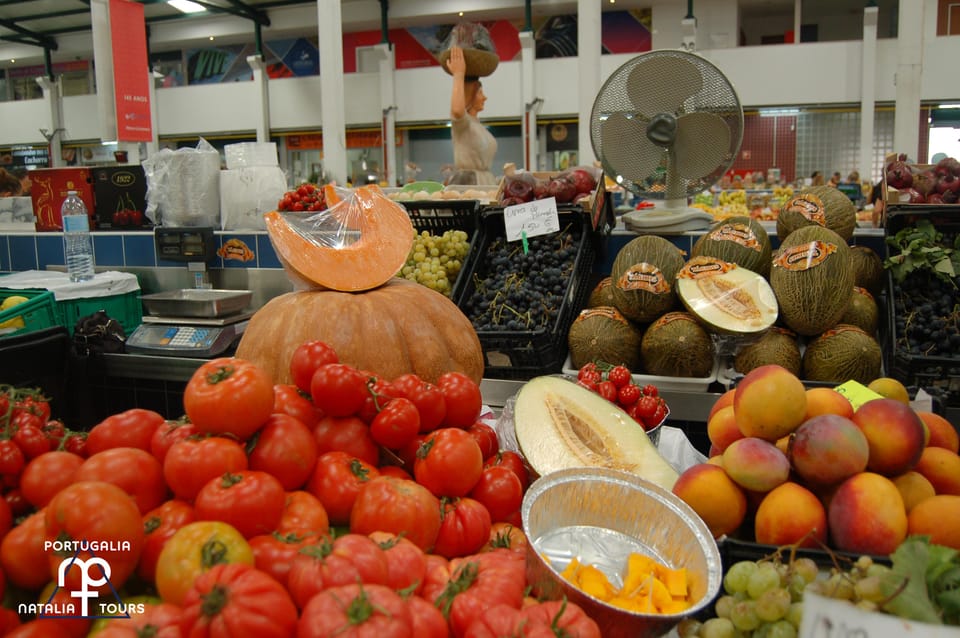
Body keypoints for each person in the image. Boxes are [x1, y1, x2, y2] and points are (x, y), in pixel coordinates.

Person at [445, 46, 497, 186]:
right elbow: (457, 111)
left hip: (485, 182)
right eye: (480, 93)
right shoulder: (463, 124)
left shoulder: (477, 125)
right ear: (471, 94)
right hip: (469, 183)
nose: (485, 97)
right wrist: (458, 75)